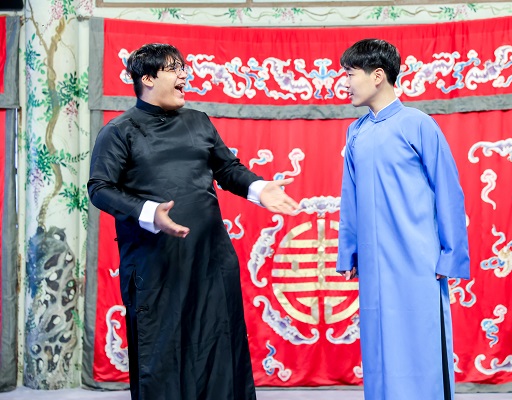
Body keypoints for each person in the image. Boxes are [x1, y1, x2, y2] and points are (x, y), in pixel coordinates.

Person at [88, 43, 299, 400]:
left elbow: (227, 169)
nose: (184, 75)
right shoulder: (120, 130)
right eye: (174, 69)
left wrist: (259, 188)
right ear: (148, 78)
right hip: (154, 262)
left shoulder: (198, 121)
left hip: (210, 258)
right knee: (162, 352)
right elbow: (100, 188)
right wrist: (149, 212)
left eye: (183, 68)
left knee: (220, 344)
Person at [335, 39, 470, 400]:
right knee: (380, 347)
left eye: (350, 74)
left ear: (377, 76)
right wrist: (349, 252)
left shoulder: (418, 125)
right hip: (375, 264)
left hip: (418, 261)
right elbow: (350, 195)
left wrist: (450, 254)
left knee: (421, 346)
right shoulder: (356, 132)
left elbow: (448, 190)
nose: (345, 83)